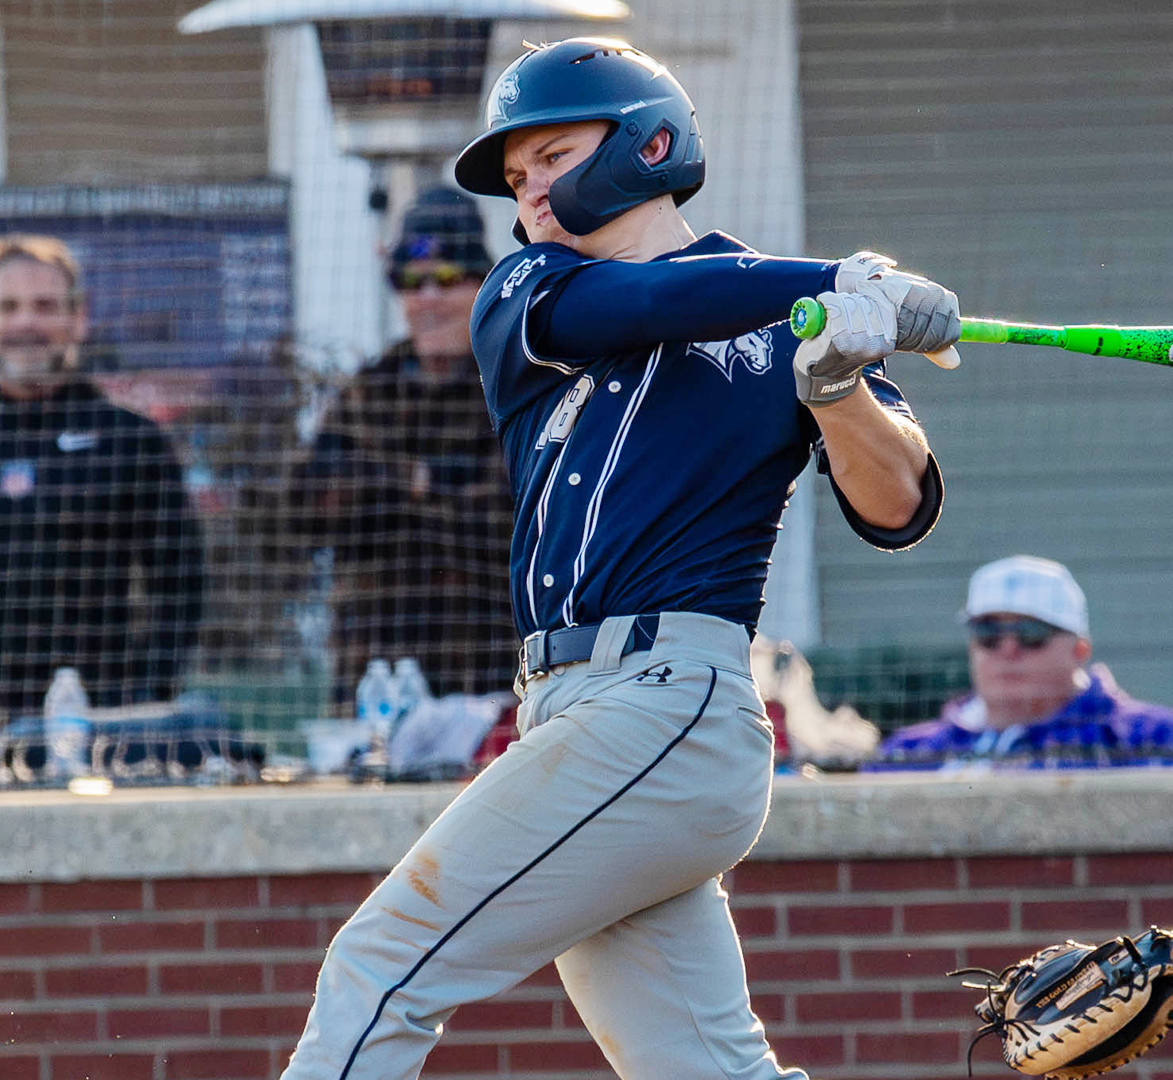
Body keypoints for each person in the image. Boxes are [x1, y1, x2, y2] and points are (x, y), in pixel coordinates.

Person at [279, 37, 959, 1080]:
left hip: (670, 700)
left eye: (552, 155)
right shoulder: (528, 289)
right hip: (567, 708)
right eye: (516, 177)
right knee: (700, 1067)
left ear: (648, 144)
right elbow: (644, 304)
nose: (532, 190)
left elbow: (899, 504)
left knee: (378, 966)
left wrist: (837, 389)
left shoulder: (797, 326)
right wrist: (832, 280)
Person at [0, 234, 206, 747]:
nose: (25, 324)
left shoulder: (132, 440)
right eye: (8, 307)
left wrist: (142, 700)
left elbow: (180, 587)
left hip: (99, 731)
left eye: (45, 306)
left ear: (78, 319)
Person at [294, 187, 514, 703]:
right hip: (371, 678)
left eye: (446, 279)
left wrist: (393, 489)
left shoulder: (515, 386)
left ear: (482, 284)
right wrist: (427, 482)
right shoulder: (369, 389)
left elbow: (510, 522)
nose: (427, 299)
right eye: (411, 282)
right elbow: (302, 508)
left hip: (490, 676)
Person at [873, 555, 1173, 769]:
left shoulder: (1152, 739)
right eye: (988, 633)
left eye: (1031, 633)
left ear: (1079, 650)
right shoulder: (907, 753)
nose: (1007, 649)